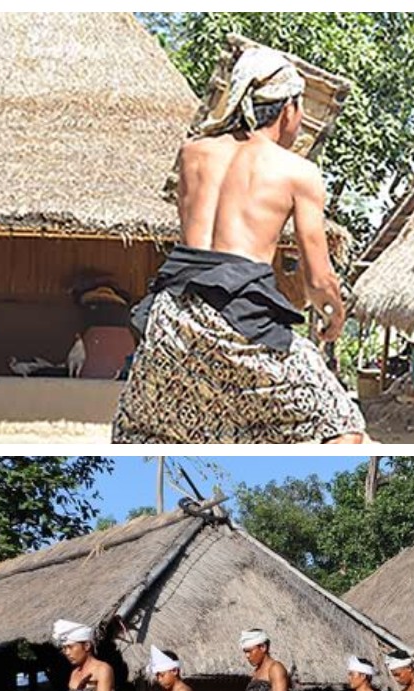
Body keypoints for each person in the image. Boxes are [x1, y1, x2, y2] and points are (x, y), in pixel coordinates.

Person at [113, 47, 366, 444]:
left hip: (170, 321)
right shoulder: (299, 172)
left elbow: (201, 248)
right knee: (342, 426)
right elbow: (318, 279)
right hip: (241, 322)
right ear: (289, 109)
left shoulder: (192, 154)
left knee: (145, 433)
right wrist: (334, 313)